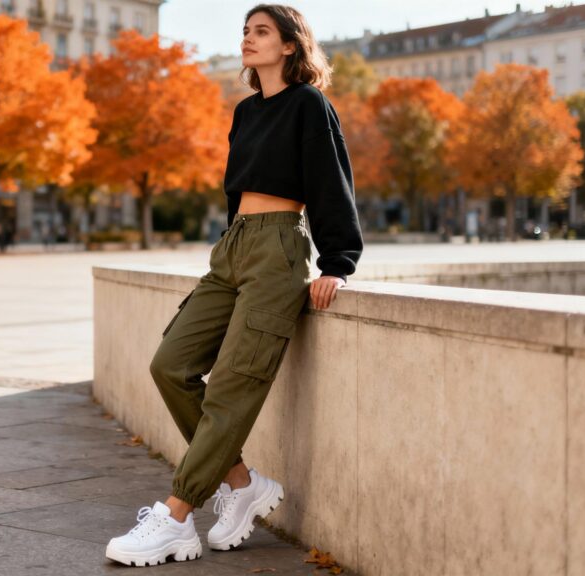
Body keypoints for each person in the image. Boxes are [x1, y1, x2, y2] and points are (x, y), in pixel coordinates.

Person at [105, 3, 363, 567]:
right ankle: (242, 484)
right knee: (169, 364)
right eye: (245, 31)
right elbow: (234, 192)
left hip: (277, 251)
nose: (248, 39)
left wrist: (337, 264)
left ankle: (176, 517)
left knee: (230, 387)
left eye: (262, 32)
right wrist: (230, 248)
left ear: (290, 46)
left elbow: (330, 182)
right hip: (235, 247)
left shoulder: (309, 105)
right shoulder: (246, 112)